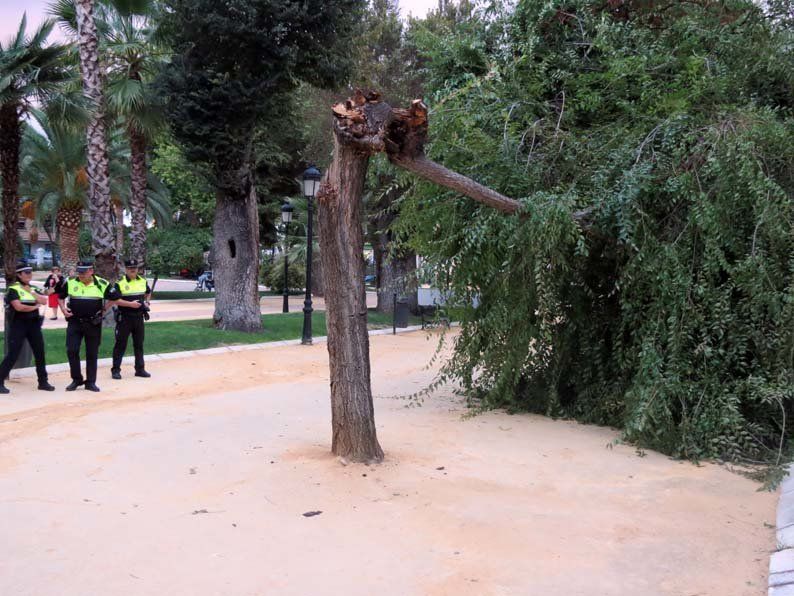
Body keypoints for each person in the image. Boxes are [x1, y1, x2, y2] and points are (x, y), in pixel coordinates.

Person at [0, 261, 55, 393]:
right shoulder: (13, 289)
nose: (29, 274)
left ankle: (43, 382)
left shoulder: (31, 288)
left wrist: (32, 292)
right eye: (26, 272)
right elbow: (19, 307)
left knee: (39, 353)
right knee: (13, 354)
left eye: (30, 272)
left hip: (34, 325)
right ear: (19, 275)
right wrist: (35, 306)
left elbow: (44, 300)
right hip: (19, 325)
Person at [58, 260, 112, 392]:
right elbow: (60, 297)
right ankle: (76, 379)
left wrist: (104, 309)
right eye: (79, 272)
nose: (81, 274)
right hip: (74, 322)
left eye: (84, 272)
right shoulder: (71, 282)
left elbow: (115, 297)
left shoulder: (102, 283)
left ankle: (91, 382)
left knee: (92, 353)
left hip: (93, 323)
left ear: (91, 271)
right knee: (72, 350)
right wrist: (63, 310)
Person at [109, 259, 151, 380]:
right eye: (130, 268)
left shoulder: (142, 281)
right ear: (126, 269)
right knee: (120, 345)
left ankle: (140, 369)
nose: (133, 270)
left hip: (139, 317)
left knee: (139, 345)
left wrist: (147, 302)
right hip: (125, 318)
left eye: (134, 267)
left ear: (137, 269)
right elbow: (114, 300)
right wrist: (130, 304)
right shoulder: (120, 282)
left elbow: (148, 292)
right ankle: (115, 370)